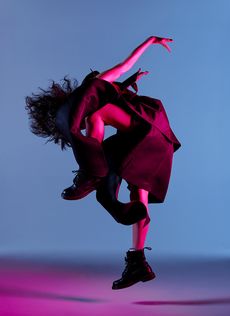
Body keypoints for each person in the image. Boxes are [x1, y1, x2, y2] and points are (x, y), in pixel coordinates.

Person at [25, 36, 181, 290]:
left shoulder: (96, 89)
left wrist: (149, 41)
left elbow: (124, 65)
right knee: (138, 197)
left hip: (146, 130)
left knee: (96, 119)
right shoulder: (99, 103)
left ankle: (91, 172)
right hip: (147, 142)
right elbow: (125, 73)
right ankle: (138, 260)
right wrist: (132, 79)